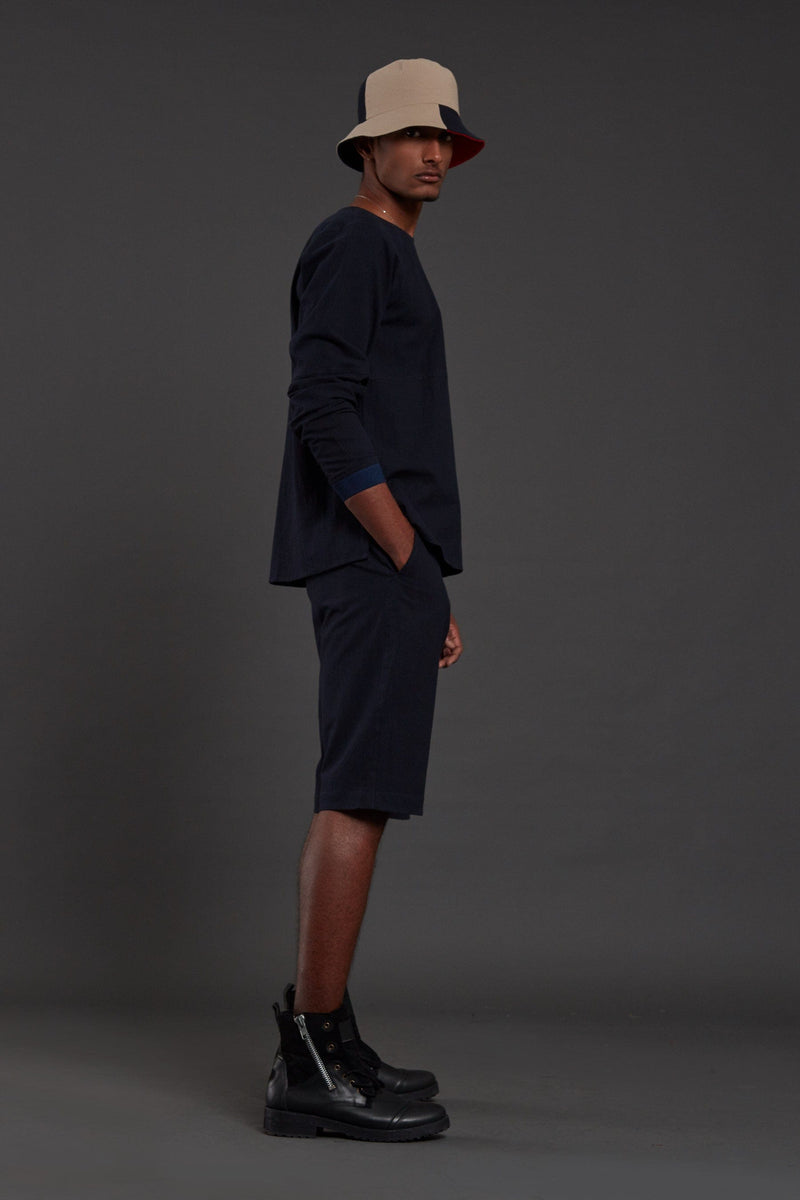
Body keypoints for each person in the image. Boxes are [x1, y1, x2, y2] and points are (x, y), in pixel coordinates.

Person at [263, 58, 484, 1142]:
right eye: (410, 135)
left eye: (443, 137)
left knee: (361, 791)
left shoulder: (388, 249)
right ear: (367, 147)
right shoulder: (354, 243)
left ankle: (327, 1035)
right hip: (369, 555)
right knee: (356, 792)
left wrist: (424, 576)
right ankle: (308, 1057)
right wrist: (402, 553)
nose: (432, 152)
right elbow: (323, 406)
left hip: (388, 563)